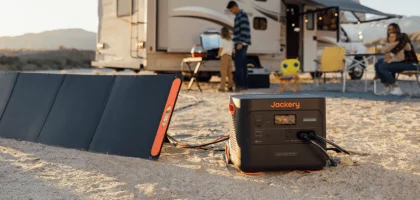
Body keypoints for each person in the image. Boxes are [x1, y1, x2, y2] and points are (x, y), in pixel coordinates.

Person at [376, 26, 419, 96]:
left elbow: (399, 55)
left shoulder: (403, 39)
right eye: (389, 30)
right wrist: (387, 53)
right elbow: (389, 56)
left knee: (382, 66)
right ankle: (387, 87)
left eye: (391, 29)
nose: (389, 32)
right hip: (402, 63)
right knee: (378, 63)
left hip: (410, 64)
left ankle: (396, 88)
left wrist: (389, 57)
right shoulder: (392, 44)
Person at [226, 1, 251, 91]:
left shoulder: (241, 16)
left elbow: (244, 29)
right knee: (243, 65)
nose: (231, 12)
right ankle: (244, 85)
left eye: (231, 9)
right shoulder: (239, 16)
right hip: (241, 43)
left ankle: (240, 85)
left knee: (239, 65)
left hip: (242, 43)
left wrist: (240, 42)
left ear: (235, 7)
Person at [216, 27, 234, 92]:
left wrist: (218, 55)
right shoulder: (231, 41)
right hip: (230, 56)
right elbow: (232, 49)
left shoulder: (222, 41)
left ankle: (222, 88)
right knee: (229, 73)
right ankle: (230, 86)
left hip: (224, 57)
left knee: (223, 73)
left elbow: (220, 49)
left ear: (223, 33)